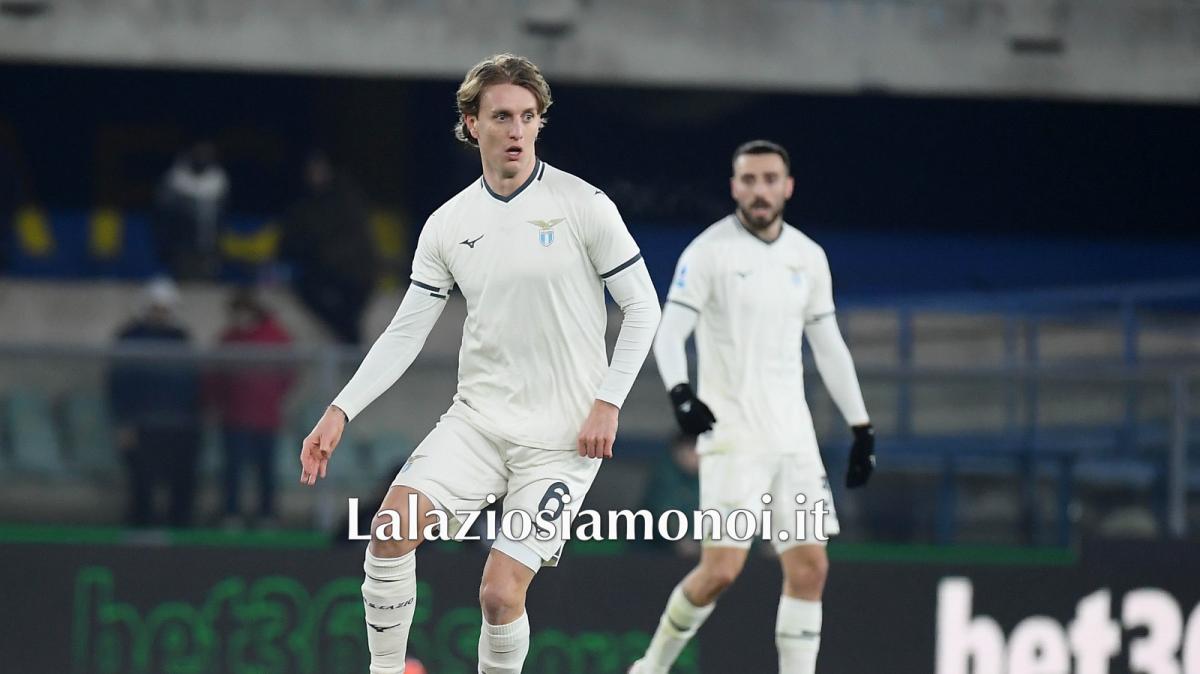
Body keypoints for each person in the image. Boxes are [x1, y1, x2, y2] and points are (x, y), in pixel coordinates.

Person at [299, 54, 660, 674]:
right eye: (501, 117)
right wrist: (340, 409)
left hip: (561, 440)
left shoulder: (583, 205)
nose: (517, 130)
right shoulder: (448, 225)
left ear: (541, 123)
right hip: (478, 424)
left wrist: (609, 401)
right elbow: (406, 332)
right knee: (387, 533)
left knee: (498, 594)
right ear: (472, 125)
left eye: (528, 116)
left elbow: (642, 308)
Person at [630, 140, 876, 674]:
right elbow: (669, 333)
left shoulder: (808, 257)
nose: (760, 190)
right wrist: (681, 394)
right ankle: (652, 666)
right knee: (720, 570)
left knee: (810, 567)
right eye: (749, 180)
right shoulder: (708, 252)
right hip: (734, 437)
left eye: (770, 179)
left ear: (787, 187)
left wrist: (862, 427)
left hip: (794, 440)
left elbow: (829, 344)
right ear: (734, 186)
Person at [108, 278, 203, 527]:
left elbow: (191, 384)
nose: (160, 314)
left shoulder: (180, 339)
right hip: (143, 423)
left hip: (178, 423)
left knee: (182, 481)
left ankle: (180, 529)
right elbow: (119, 385)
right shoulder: (130, 338)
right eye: (155, 308)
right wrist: (125, 422)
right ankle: (142, 529)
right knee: (142, 481)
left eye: (164, 309)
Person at [207, 288, 295, 528]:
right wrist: (219, 404)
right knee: (233, 470)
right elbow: (215, 377)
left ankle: (267, 515)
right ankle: (231, 513)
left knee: (266, 471)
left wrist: (271, 399)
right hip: (234, 418)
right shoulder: (228, 339)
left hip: (266, 419)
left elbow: (288, 375)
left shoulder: (275, 337)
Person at [280, 151, 377, 344]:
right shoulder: (305, 205)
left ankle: (351, 346)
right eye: (311, 172)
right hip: (322, 273)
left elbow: (354, 241)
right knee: (311, 294)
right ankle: (350, 345)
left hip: (354, 273)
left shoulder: (346, 200)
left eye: (319, 171)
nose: (315, 176)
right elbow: (291, 241)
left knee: (348, 317)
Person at [154, 141, 228, 278]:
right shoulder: (177, 174)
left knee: (205, 278)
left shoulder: (217, 176)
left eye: (206, 154)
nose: (202, 157)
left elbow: (220, 211)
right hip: (180, 240)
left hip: (207, 242)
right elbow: (164, 207)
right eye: (199, 153)